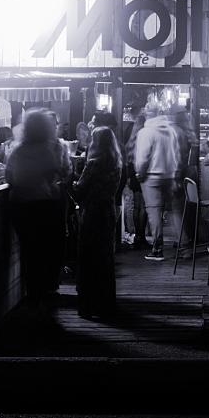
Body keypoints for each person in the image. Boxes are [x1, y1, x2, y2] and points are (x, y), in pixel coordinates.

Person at [6, 109, 73, 308]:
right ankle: (46, 290)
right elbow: (63, 173)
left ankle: (33, 293)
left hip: (21, 207)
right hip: (47, 205)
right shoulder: (51, 149)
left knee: (29, 251)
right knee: (49, 250)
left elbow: (9, 177)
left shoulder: (17, 150)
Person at [71, 126, 123, 319]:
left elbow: (79, 191)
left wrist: (71, 180)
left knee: (88, 258)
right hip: (108, 211)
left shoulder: (94, 163)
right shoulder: (116, 163)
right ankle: (106, 304)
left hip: (92, 212)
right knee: (105, 259)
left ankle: (88, 305)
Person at [133, 104, 183, 262]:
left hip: (151, 176)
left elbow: (143, 157)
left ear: (148, 115)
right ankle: (184, 246)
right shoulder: (170, 130)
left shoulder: (145, 132)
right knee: (174, 210)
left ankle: (157, 250)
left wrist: (140, 173)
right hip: (170, 175)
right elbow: (176, 154)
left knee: (154, 212)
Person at [123, 112, 148, 250]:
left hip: (133, 174)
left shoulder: (131, 141)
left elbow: (127, 161)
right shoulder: (144, 139)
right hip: (142, 173)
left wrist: (129, 176)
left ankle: (137, 236)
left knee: (136, 206)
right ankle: (141, 236)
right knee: (143, 206)